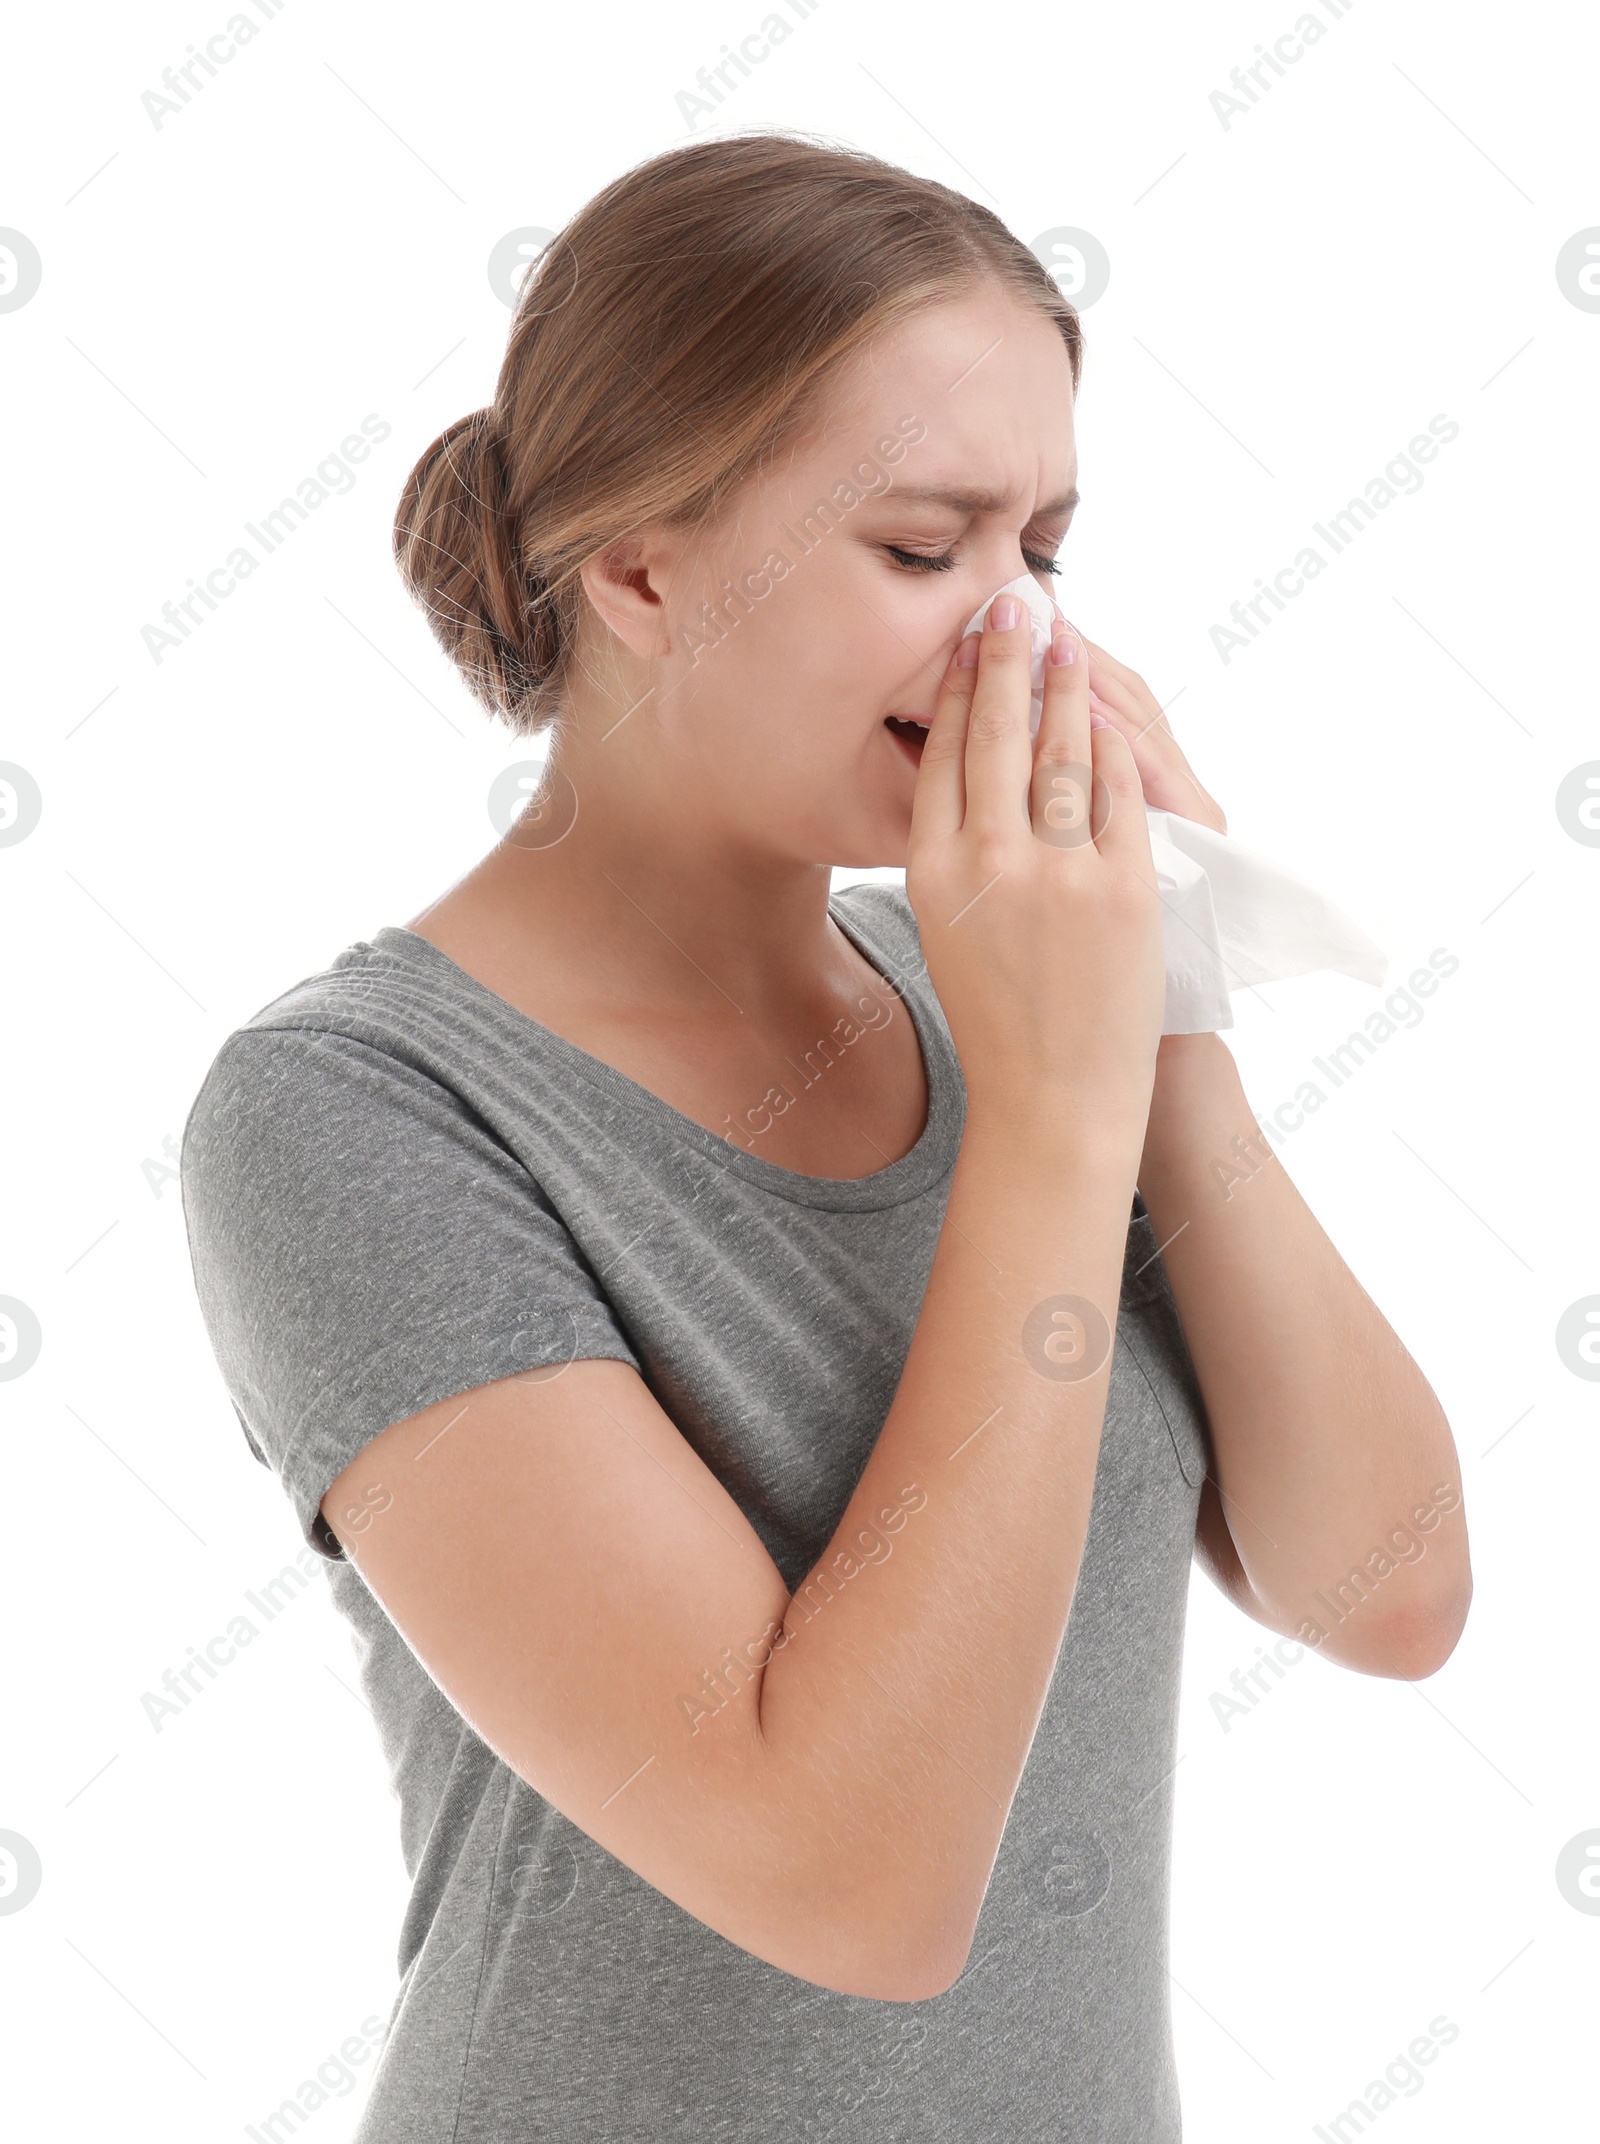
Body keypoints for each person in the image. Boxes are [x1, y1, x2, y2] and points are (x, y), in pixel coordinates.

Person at [179, 129, 1471, 2143]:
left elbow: (1378, 1589)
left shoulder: (1001, 990)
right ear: (637, 569)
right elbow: (848, 1881)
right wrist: (1055, 1111)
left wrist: (1162, 998)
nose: (1014, 639)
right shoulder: (356, 1113)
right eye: (917, 547)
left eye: (1036, 551)